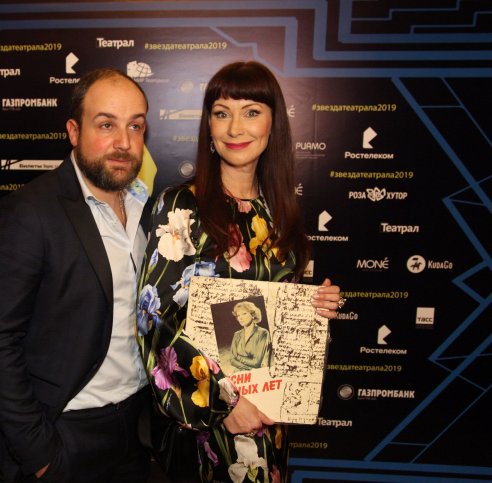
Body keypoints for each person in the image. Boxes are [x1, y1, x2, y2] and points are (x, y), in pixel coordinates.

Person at [136, 61, 345, 483]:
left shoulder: (279, 214)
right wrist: (224, 403)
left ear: (273, 125)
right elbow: (153, 320)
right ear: (209, 126)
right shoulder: (181, 206)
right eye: (222, 113)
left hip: (270, 425)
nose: (235, 128)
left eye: (251, 112)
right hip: (208, 431)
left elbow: (281, 329)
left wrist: (315, 311)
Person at [0, 68, 153, 483]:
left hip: (139, 428)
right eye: (106, 125)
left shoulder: (150, 209)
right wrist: (39, 453)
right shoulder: (29, 212)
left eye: (135, 126)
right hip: (66, 436)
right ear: (74, 131)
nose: (124, 142)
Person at [229, 301, 270, 371]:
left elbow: (256, 362)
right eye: (238, 315)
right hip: (240, 372)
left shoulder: (263, 333)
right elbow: (232, 360)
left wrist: (238, 357)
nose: (240, 318)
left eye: (244, 313)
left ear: (253, 315)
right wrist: (249, 368)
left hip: (257, 373)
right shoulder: (236, 334)